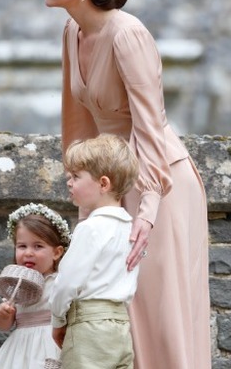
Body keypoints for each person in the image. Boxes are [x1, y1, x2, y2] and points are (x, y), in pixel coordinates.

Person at [36, 0, 211, 367]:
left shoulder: (128, 34)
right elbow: (76, 128)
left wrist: (147, 210)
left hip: (160, 185)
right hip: (110, 182)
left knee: (155, 312)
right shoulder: (71, 31)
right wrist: (86, 205)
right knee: (111, 313)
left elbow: (151, 126)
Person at [51, 134, 140, 368]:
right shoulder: (131, 230)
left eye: (76, 176)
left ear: (103, 184)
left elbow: (67, 283)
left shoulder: (90, 228)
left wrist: (58, 319)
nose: (69, 182)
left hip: (89, 327)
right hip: (121, 326)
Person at [0, 203, 70, 368]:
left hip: (51, 347)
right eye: (22, 246)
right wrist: (2, 314)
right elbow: (3, 326)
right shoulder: (17, 285)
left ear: (57, 252)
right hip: (19, 351)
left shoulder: (60, 282)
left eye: (38, 246)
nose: (28, 253)